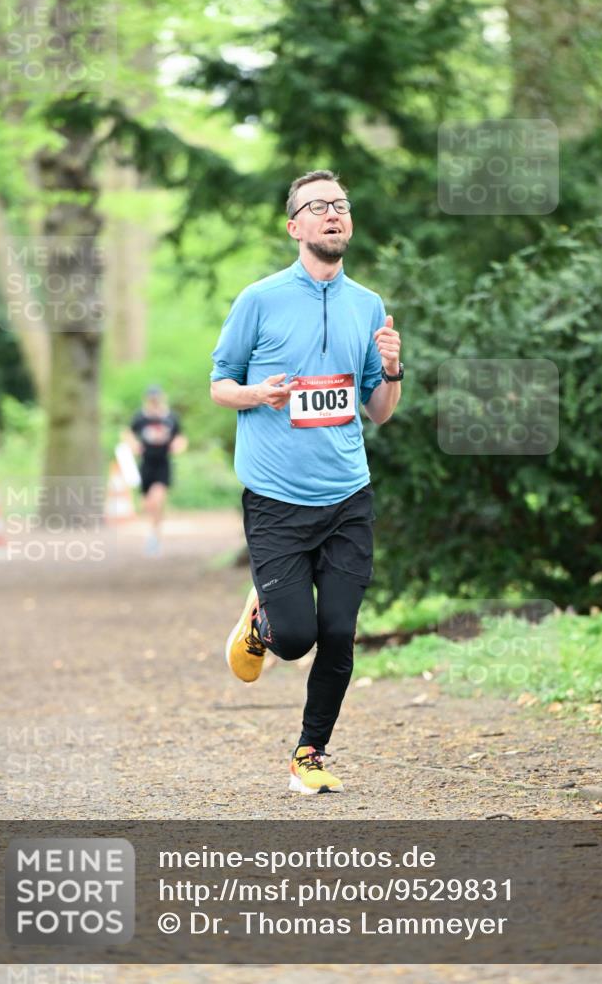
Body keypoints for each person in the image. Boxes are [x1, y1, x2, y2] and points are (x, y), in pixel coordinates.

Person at [210, 170, 402, 794]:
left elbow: (379, 409)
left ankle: (309, 754)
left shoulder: (367, 305)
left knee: (340, 632)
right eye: (318, 207)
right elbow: (219, 385)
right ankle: (264, 621)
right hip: (276, 499)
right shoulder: (259, 299)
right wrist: (256, 394)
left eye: (341, 205)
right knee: (296, 640)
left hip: (348, 494)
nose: (333, 214)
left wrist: (394, 369)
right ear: (294, 226)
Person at [125, 386, 188, 556]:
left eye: (156, 399)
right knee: (147, 505)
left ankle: (155, 536)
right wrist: (133, 445)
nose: (154, 402)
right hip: (146, 464)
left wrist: (178, 446)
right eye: (151, 399)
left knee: (157, 500)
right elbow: (128, 433)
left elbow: (181, 437)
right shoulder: (141, 417)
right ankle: (154, 530)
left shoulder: (170, 417)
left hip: (163, 463)